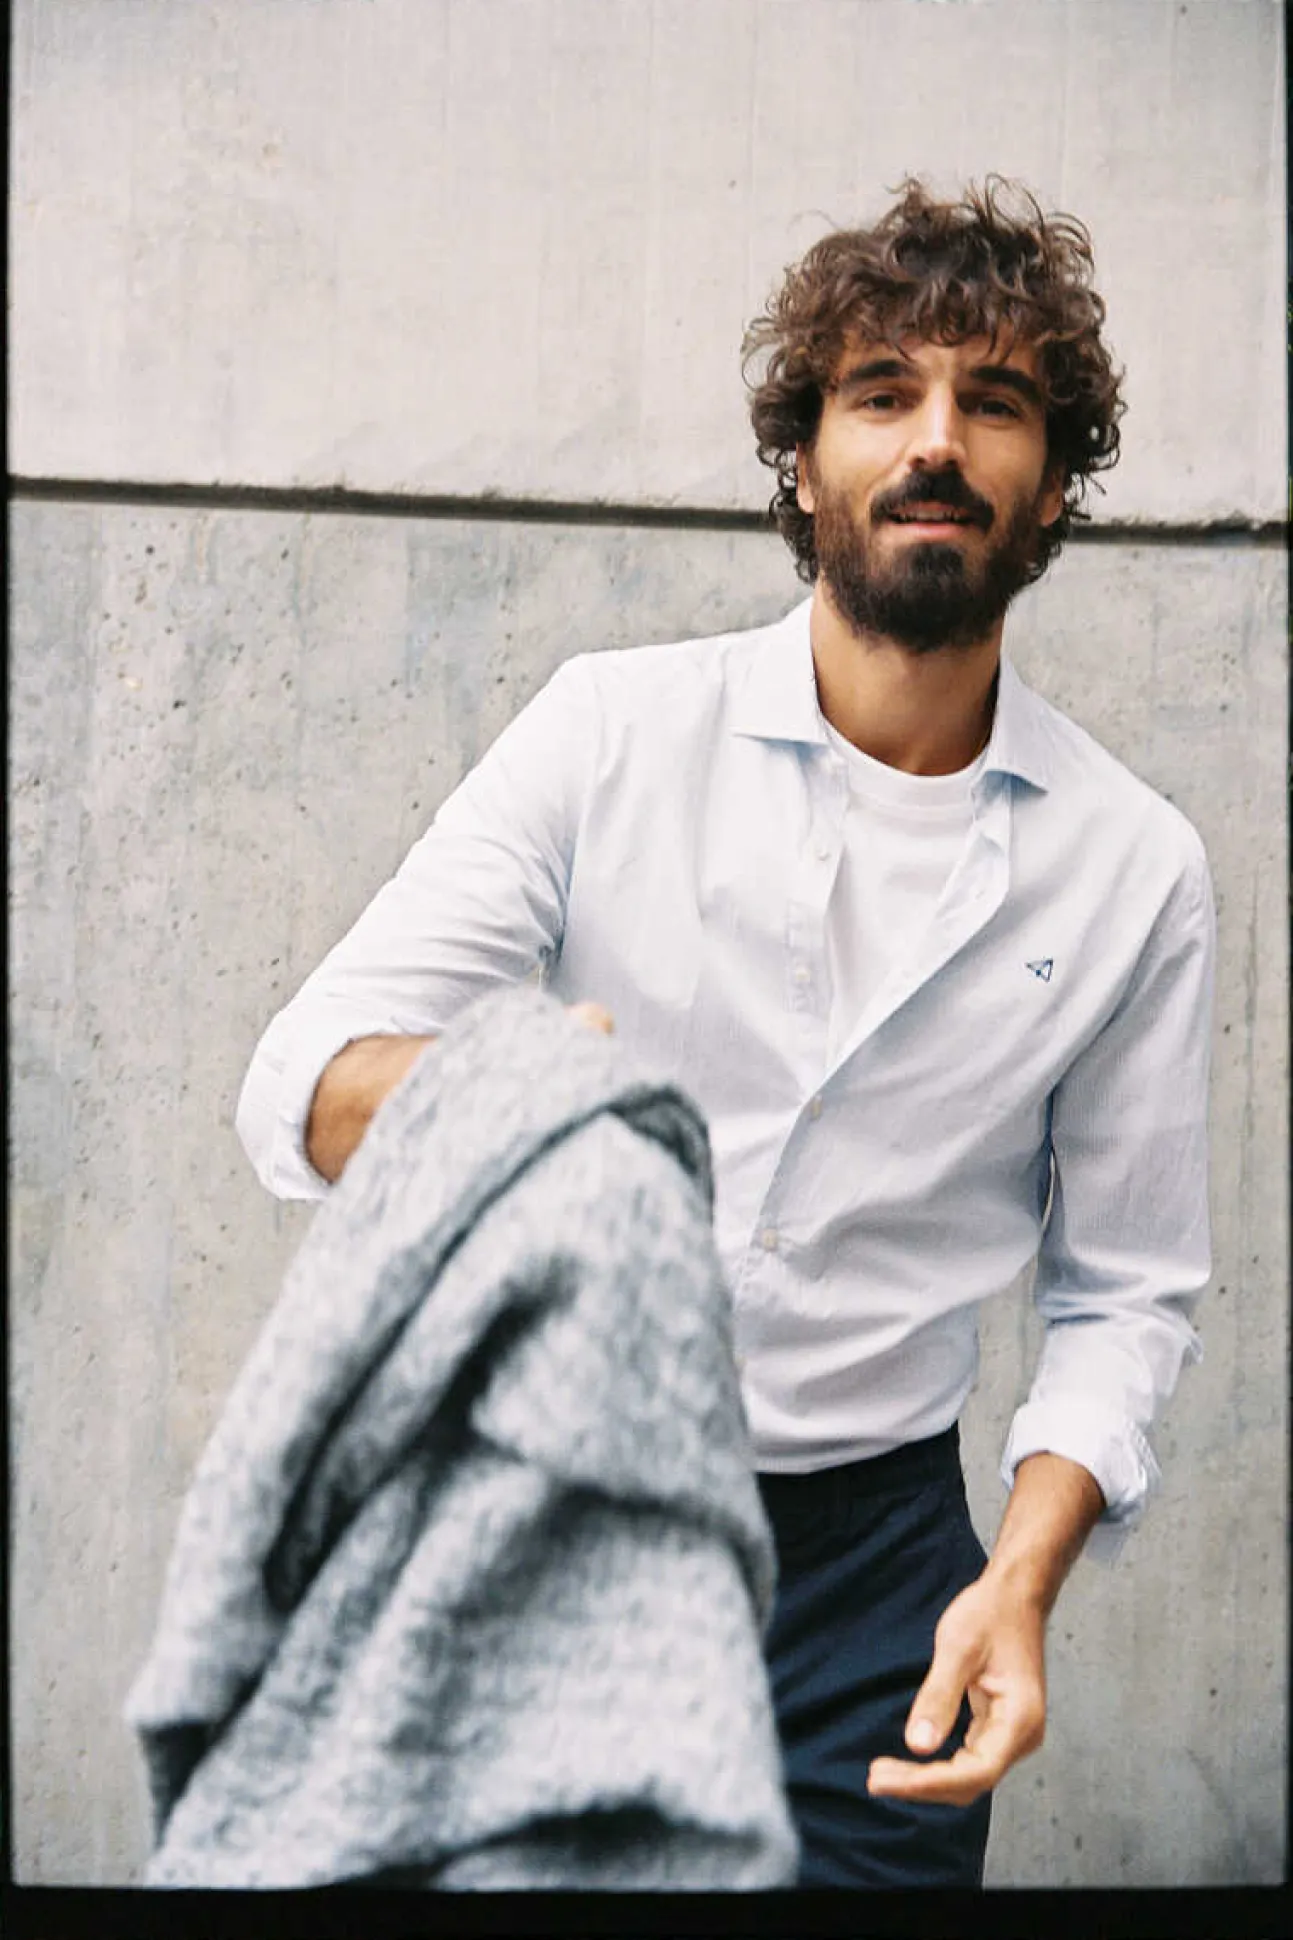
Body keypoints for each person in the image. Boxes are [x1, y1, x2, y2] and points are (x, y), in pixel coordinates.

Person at [236, 178, 1215, 1889]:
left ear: (1053, 484)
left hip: (881, 1590)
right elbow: (298, 1087)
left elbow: (1125, 1292)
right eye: (883, 392)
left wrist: (1020, 1580)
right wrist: (503, 1097)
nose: (936, 439)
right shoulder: (609, 736)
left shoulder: (1135, 867)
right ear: (804, 462)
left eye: (993, 403)